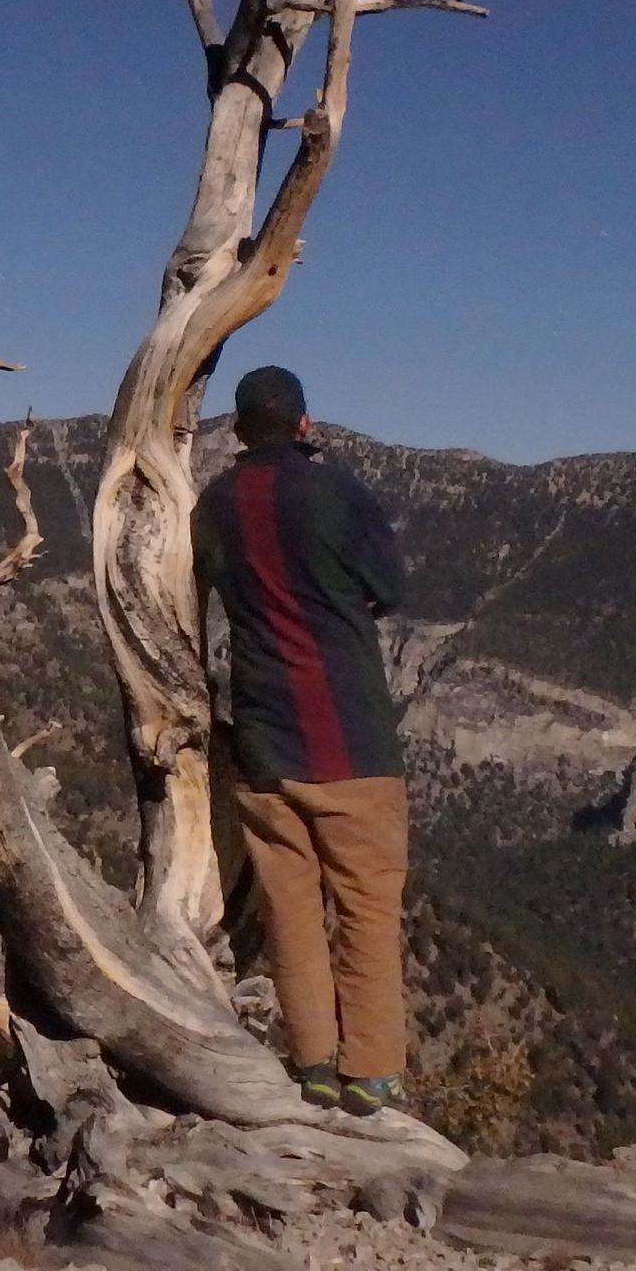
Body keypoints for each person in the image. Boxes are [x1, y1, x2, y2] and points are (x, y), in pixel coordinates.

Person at [192, 363, 415, 1115]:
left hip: (263, 737)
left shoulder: (214, 505)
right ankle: (373, 1071)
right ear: (305, 425)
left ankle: (313, 1062)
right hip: (350, 737)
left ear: (238, 430)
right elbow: (392, 590)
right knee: (367, 907)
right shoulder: (339, 491)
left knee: (290, 909)